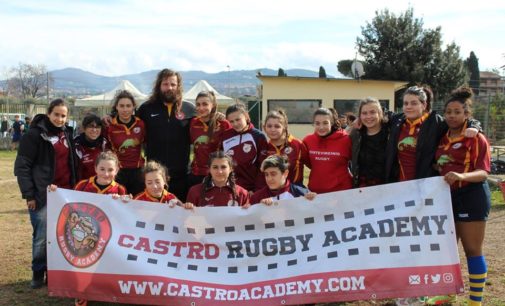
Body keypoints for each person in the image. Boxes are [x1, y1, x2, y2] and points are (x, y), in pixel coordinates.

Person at [428, 87, 491, 306]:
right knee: (447, 249)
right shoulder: (442, 135)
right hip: (446, 198)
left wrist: (461, 175)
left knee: (472, 250)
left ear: (467, 115)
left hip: (471, 195)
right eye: (449, 112)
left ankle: (475, 301)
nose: (452, 116)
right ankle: (448, 293)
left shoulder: (476, 138)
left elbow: (483, 172)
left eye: (457, 112)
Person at [14, 99, 78, 289]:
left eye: (63, 115)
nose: (59, 119)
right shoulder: (33, 135)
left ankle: (54, 272)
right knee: (42, 237)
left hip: (66, 195)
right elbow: (22, 167)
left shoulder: (68, 134)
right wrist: (30, 195)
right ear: (48, 113)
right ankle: (37, 271)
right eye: (56, 114)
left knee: (63, 236)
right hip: (43, 197)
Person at [385, 85, 480, 183]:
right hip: (398, 183)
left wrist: (474, 126)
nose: (408, 106)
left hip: (425, 184)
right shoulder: (397, 121)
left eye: (414, 103)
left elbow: (461, 120)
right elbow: (378, 114)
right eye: (405, 103)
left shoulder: (436, 123)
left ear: (424, 105)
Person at [72, 151, 126, 306]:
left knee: (107, 263)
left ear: (117, 170)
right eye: (102, 169)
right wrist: (56, 192)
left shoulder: (120, 189)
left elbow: (125, 215)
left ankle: (106, 291)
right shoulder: (83, 185)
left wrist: (123, 202)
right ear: (95, 168)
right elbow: (70, 203)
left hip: (109, 234)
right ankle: (81, 293)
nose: (106, 173)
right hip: (86, 233)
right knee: (84, 264)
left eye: (110, 170)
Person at [136, 69, 195, 201]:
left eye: (173, 84)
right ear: (159, 86)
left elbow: (206, 121)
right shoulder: (146, 108)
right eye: (165, 84)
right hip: (154, 177)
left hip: (181, 175)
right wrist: (110, 117)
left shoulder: (189, 109)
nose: (169, 88)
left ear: (178, 86)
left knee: (179, 216)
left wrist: (217, 116)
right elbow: (127, 120)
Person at [303, 108, 352, 193]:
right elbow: (309, 163)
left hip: (342, 193)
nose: (321, 127)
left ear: (332, 123)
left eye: (325, 123)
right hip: (315, 194)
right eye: (317, 123)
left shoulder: (346, 140)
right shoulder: (308, 140)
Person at [220, 103, 268, 192]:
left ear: (246, 116)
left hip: (252, 190)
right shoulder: (225, 136)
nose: (235, 124)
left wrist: (257, 190)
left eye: (238, 119)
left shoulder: (258, 136)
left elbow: (263, 166)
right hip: (230, 188)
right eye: (231, 121)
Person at [106, 90, 145, 195]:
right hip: (118, 172)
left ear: (133, 107)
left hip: (138, 172)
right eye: (121, 106)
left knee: (137, 205)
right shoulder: (109, 126)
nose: (125, 109)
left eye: (128, 106)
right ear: (116, 107)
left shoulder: (141, 124)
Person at [189, 91, 231, 187]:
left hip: (217, 175)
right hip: (196, 174)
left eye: (205, 104)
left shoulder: (224, 124)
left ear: (213, 105)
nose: (201, 108)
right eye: (198, 104)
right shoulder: (192, 123)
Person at [186, 151, 250, 207]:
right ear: (209, 169)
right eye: (215, 167)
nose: (219, 171)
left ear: (231, 169)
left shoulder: (242, 193)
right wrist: (187, 209)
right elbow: (189, 219)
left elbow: (247, 219)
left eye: (223, 167)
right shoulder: (195, 192)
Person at [350, 98, 389, 187]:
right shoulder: (356, 135)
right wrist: (353, 126)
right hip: (363, 189)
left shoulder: (391, 132)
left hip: (389, 189)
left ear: (380, 113)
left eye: (372, 112)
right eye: (364, 113)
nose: (368, 117)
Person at [263, 109, 307, 186]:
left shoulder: (297, 144)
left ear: (284, 127)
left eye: (277, 126)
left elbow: (313, 166)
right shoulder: (265, 147)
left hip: (295, 192)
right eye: (269, 126)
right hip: (272, 192)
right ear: (264, 128)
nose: (272, 129)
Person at [251, 155, 316, 205]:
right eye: (266, 174)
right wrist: (257, 208)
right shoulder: (256, 198)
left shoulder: (302, 193)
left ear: (285, 173)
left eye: (273, 174)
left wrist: (315, 199)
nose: (269, 178)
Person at [74, 114, 109, 180]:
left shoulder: (105, 145)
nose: (94, 130)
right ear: (84, 128)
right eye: (91, 126)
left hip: (102, 186)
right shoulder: (75, 146)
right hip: (82, 187)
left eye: (98, 127)